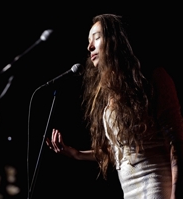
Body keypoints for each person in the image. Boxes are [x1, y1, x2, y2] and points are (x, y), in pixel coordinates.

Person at [46, 14, 183, 199]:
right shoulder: (111, 95)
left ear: (115, 40)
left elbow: (176, 142)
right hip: (129, 192)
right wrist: (77, 154)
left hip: (156, 187)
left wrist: (176, 193)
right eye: (88, 41)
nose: (90, 46)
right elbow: (119, 150)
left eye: (97, 37)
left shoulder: (152, 79)